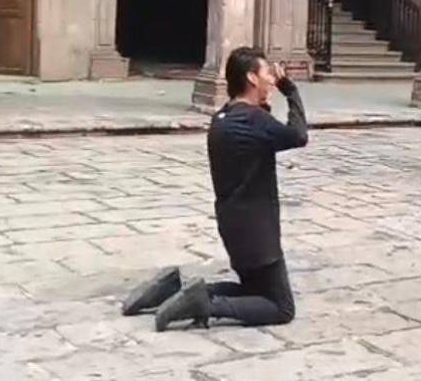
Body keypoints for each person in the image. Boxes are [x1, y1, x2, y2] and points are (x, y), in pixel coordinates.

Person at [121, 46, 308, 330]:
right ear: (252, 78)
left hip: (233, 225)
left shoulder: (223, 117)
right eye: (267, 73)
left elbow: (260, 136)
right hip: (258, 230)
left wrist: (266, 100)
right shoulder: (255, 121)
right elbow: (297, 135)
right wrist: (290, 90)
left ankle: (173, 290)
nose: (272, 79)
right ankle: (206, 304)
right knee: (280, 307)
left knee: (254, 291)